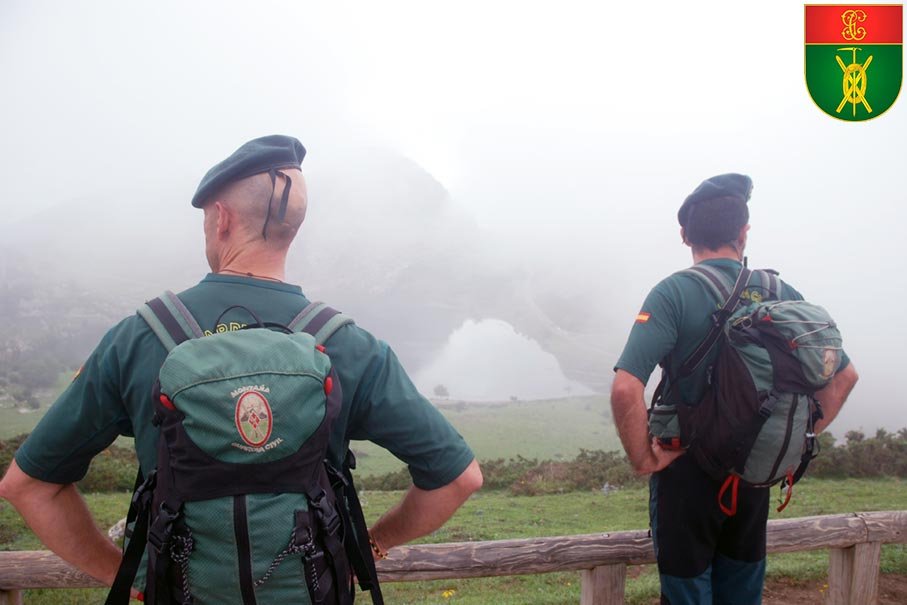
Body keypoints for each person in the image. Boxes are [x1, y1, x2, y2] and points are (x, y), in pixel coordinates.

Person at [0, 135, 483, 598]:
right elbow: (458, 479)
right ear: (293, 228)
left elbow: (29, 487)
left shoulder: (139, 338)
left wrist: (128, 578)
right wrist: (371, 544)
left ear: (221, 218)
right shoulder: (349, 346)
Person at [610, 173, 858, 604]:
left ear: (685, 235)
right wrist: (791, 438)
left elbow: (625, 388)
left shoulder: (673, 294)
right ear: (743, 233)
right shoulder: (780, 293)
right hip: (754, 474)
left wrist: (643, 460)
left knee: (688, 594)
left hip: (685, 475)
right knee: (743, 593)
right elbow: (843, 378)